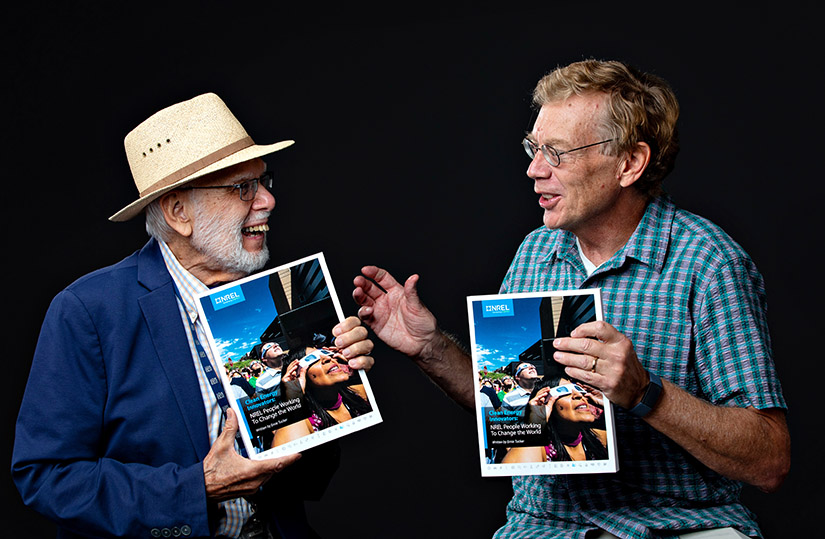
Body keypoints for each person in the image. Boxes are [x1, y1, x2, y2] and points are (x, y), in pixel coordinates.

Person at [352, 59, 790, 538]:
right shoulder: (535, 252)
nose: (533, 169)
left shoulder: (708, 264)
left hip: (679, 527)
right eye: (533, 148)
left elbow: (770, 460)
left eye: (555, 153)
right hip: (543, 527)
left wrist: (646, 393)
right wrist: (429, 345)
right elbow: (504, 408)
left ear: (629, 164)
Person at [12, 93, 374, 539]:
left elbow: (303, 475)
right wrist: (196, 488)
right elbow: (46, 477)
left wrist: (338, 391)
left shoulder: (261, 296)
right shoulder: (88, 311)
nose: (267, 201)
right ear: (178, 212)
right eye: (242, 187)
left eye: (265, 182)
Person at [272, 346, 372, 446]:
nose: (328, 358)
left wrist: (354, 367)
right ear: (298, 375)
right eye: (312, 358)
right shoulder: (306, 423)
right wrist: (293, 395)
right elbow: (283, 456)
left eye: (325, 353)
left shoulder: (359, 393)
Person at [503, 376, 608, 464]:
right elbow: (516, 482)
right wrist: (536, 422)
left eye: (578, 388)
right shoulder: (540, 451)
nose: (579, 395)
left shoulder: (601, 438)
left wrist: (608, 405)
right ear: (545, 402)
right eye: (564, 391)